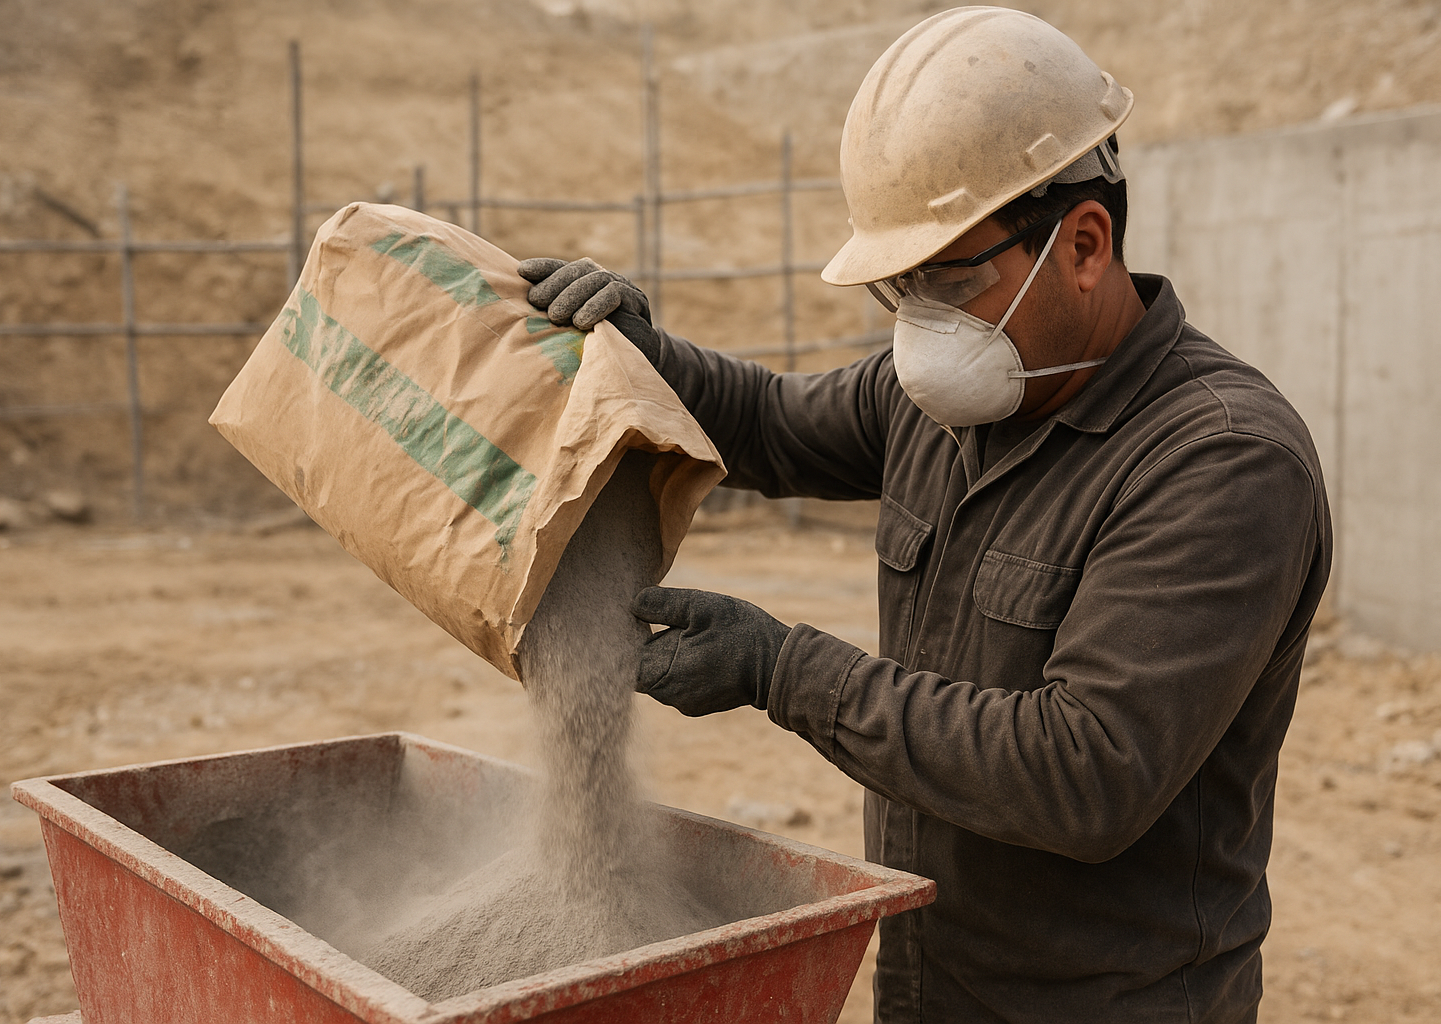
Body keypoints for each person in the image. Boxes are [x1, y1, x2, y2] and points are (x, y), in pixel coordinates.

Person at [520, 8, 1331, 1022]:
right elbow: (769, 423)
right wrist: (644, 347)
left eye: (947, 277)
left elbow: (1085, 770)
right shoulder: (952, 399)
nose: (922, 323)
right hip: (932, 982)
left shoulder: (1219, 460)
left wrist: (783, 669)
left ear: (1084, 243)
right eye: (899, 286)